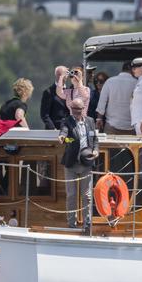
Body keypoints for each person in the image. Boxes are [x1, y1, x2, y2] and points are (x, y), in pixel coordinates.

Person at [58, 98, 99, 231]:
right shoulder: (67, 121)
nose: (75, 112)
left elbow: (95, 139)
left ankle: (87, 222)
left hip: (86, 163)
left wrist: (95, 150)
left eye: (78, 109)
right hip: (71, 164)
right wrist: (63, 138)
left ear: (83, 109)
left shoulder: (90, 121)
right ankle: (71, 224)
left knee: (87, 195)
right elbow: (64, 132)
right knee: (71, 195)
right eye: (73, 109)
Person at [96, 62, 137, 135]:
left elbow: (102, 103)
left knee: (110, 146)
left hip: (111, 126)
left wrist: (99, 119)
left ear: (122, 69)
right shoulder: (137, 83)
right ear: (132, 70)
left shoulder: (110, 81)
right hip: (131, 127)